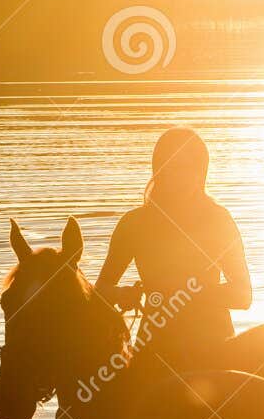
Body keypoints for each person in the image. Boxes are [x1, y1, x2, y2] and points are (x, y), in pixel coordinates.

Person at [94, 128, 252, 371]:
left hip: (215, 351)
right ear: (158, 170)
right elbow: (99, 291)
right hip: (155, 350)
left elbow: (243, 295)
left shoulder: (218, 220)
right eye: (171, 167)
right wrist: (121, 294)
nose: (179, 177)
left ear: (201, 173)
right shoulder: (133, 224)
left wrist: (189, 293)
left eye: (188, 169)